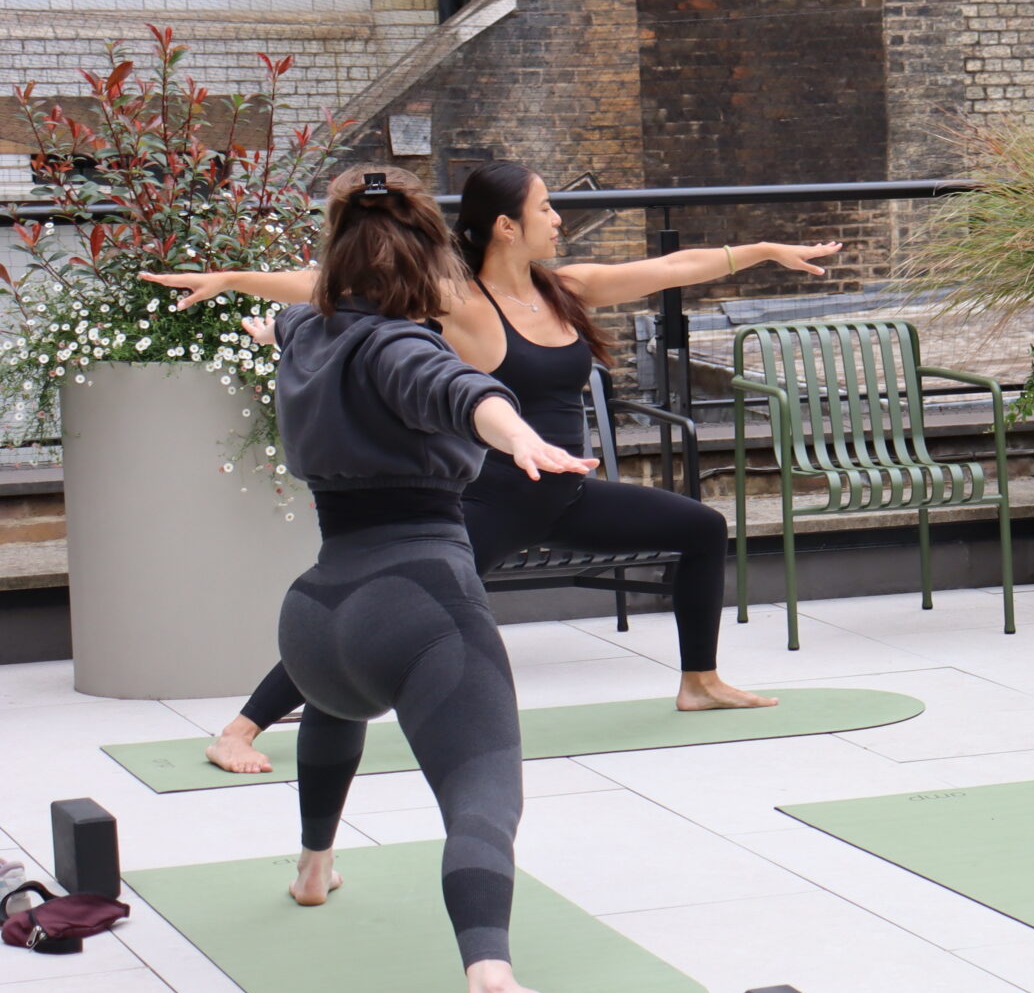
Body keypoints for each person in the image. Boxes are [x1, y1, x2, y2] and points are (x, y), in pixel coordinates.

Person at [144, 162, 839, 774]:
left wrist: (763, 251)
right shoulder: (459, 300)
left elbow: (674, 269)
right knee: (373, 608)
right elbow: (329, 284)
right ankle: (238, 729)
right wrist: (235, 278)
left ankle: (699, 679)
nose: (558, 220)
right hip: (494, 500)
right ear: (507, 225)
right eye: (545, 208)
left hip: (565, 495)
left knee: (701, 527)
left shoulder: (565, 288)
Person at [271, 166, 608, 993]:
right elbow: (465, 393)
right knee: (483, 792)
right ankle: (493, 985)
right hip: (418, 603)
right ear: (430, 265)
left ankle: (314, 866)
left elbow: (287, 316)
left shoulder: (306, 333)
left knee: (336, 711)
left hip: (315, 621)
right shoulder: (401, 346)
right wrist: (525, 436)